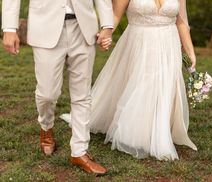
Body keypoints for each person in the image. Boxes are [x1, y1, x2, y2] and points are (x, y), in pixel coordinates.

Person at [61, 0, 198, 160]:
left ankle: (158, 132)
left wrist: (190, 52)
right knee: (143, 86)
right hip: (139, 43)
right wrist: (106, 33)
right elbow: (115, 14)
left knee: (163, 87)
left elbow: (181, 22)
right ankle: (137, 134)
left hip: (168, 45)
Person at [2, 0, 114, 174]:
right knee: (47, 94)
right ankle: (46, 126)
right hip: (44, 26)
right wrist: (9, 28)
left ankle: (79, 151)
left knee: (82, 95)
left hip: (83, 27)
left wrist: (107, 25)